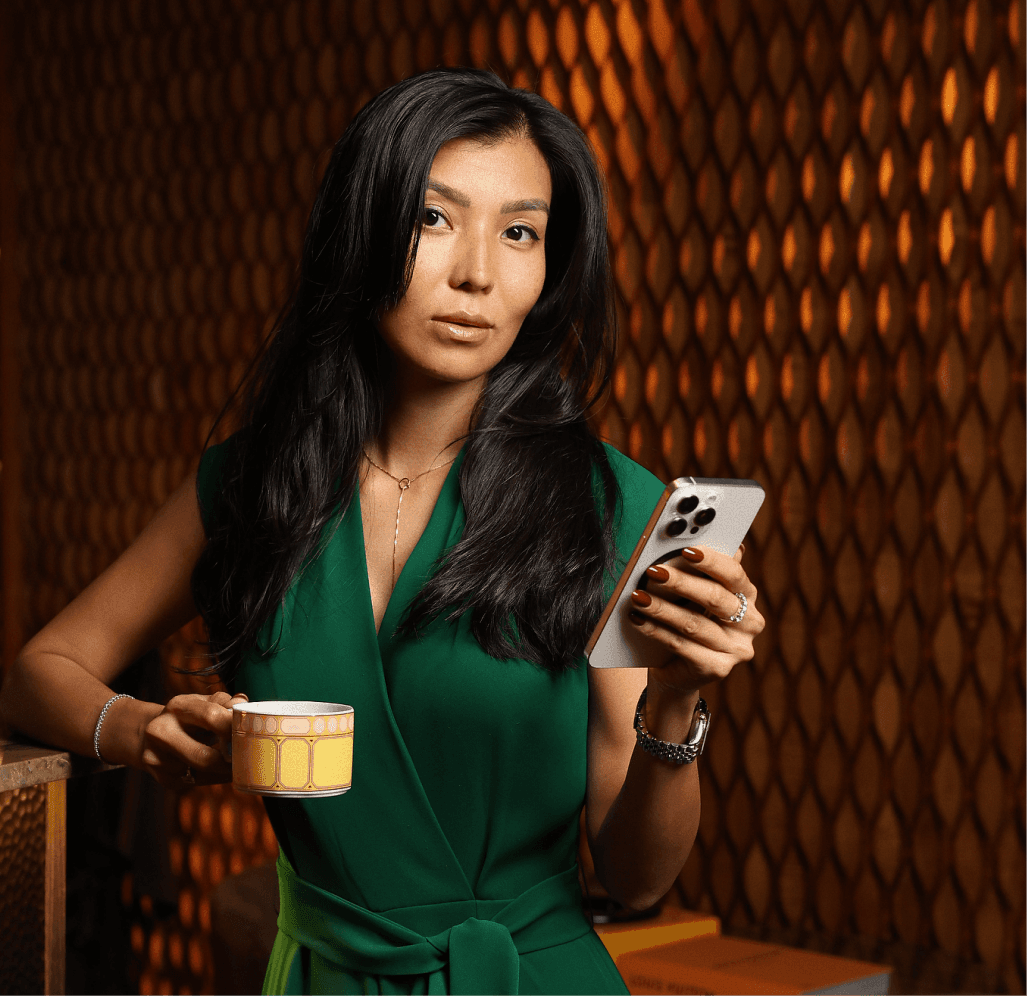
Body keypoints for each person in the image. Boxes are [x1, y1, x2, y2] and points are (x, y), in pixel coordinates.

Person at [0, 68, 764, 995]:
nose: (478, 270)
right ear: (361, 233)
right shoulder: (251, 486)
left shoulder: (608, 504)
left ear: (547, 270)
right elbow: (40, 671)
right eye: (434, 218)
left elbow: (637, 878)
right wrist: (143, 730)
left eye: (519, 232)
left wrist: (677, 705)